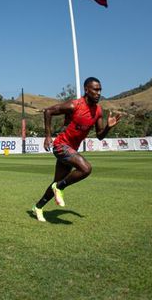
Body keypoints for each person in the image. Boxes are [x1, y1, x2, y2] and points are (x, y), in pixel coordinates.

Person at [32, 77, 121, 222]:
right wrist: (48, 136)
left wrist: (108, 127)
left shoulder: (98, 111)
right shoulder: (75, 105)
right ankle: (59, 187)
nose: (98, 93)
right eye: (95, 89)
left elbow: (99, 136)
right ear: (86, 90)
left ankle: (38, 207)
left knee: (57, 182)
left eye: (100, 90)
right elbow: (48, 111)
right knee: (86, 169)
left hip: (71, 149)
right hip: (61, 145)